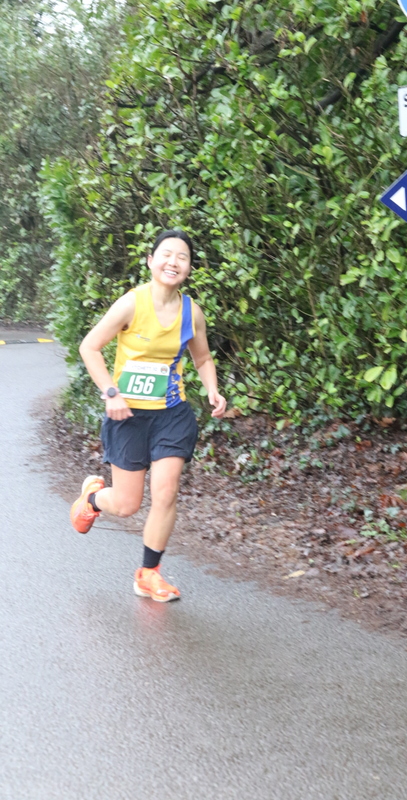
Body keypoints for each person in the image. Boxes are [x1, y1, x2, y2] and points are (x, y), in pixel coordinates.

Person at [70, 229, 226, 601]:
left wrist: (212, 389)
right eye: (166, 254)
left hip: (172, 414)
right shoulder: (131, 303)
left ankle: (148, 574)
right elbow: (90, 347)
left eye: (182, 257)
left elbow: (202, 357)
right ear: (151, 261)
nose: (174, 262)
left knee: (166, 492)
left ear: (189, 268)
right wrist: (111, 392)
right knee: (127, 505)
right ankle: (92, 499)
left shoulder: (191, 312)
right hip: (128, 415)